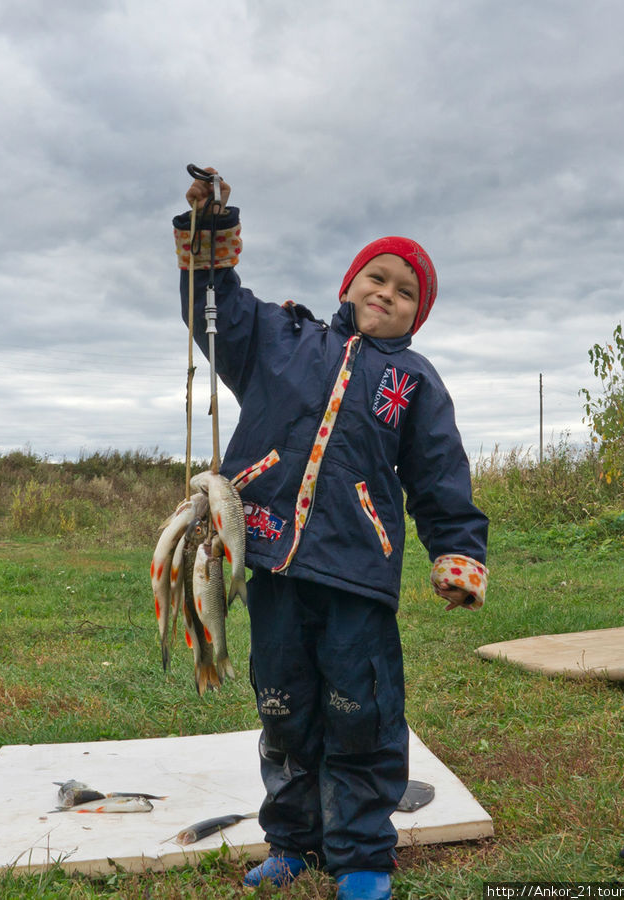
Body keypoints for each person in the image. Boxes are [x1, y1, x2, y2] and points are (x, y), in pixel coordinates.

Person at [173, 168, 489, 900]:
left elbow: (440, 472)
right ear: (350, 282)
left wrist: (457, 550)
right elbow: (213, 306)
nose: (385, 293)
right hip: (272, 565)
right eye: (375, 278)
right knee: (283, 709)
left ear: (418, 315)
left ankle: (360, 858)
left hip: (357, 573)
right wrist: (208, 236)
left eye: (404, 292)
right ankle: (292, 843)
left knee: (361, 714)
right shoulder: (280, 342)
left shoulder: (413, 381)